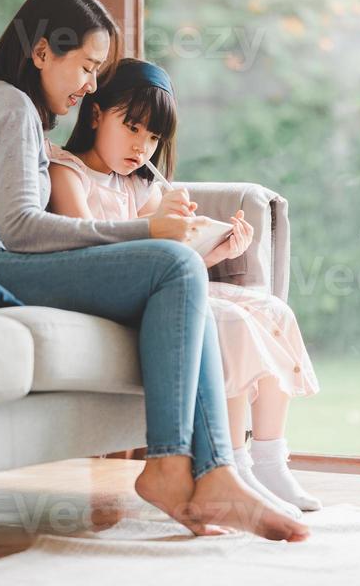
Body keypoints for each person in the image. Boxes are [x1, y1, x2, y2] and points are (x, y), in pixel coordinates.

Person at [0, 0, 309, 542]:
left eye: (98, 71)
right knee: (170, 264)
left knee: (178, 273)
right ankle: (178, 469)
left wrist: (164, 237)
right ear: (43, 52)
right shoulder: (6, 103)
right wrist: (148, 230)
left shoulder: (19, 109)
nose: (90, 84)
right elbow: (22, 229)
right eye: (87, 66)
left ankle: (211, 471)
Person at [47, 57, 321, 519]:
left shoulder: (138, 183)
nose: (142, 146)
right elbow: (85, 247)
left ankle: (271, 461)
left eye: (153, 137)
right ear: (95, 115)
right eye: (132, 127)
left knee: (273, 311)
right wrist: (151, 223)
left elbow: (173, 262)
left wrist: (214, 249)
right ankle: (231, 466)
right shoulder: (66, 171)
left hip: (157, 287)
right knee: (227, 321)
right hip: (111, 293)